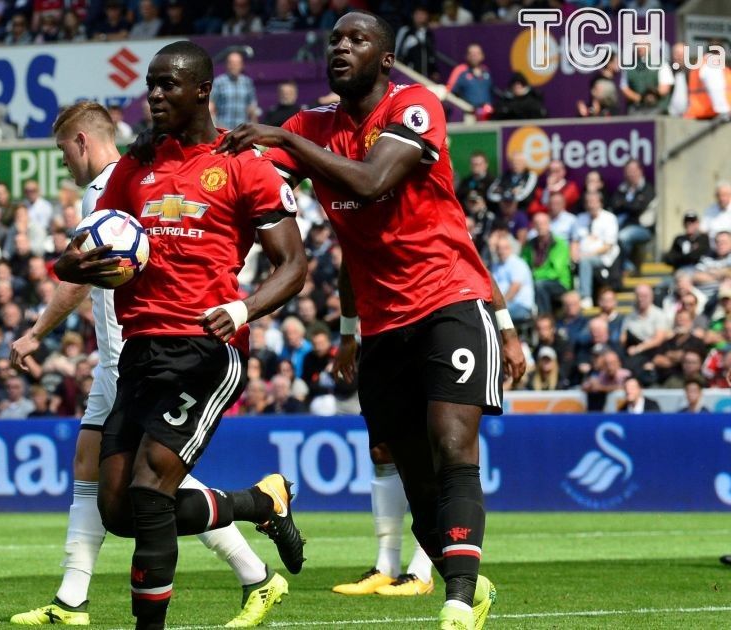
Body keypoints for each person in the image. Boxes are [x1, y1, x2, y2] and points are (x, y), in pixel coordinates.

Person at [216, 12, 528, 629]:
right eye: (335, 39)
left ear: (386, 59)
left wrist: (286, 141)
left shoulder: (415, 106)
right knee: (410, 470)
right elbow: (255, 190)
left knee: (451, 444)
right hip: (382, 323)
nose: (341, 47)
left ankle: (459, 598)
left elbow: (370, 179)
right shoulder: (311, 125)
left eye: (357, 39)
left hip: (449, 300)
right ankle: (467, 579)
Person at [56, 41, 309, 630]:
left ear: (202, 90)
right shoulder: (135, 168)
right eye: (151, 84)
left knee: (149, 491)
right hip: (140, 351)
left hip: (204, 348)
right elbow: (77, 252)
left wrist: (243, 310)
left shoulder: (244, 164)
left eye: (168, 84)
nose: (155, 95)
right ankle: (260, 502)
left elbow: (294, 265)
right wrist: (77, 264)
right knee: (118, 508)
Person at [8, 101, 287, 628]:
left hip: (139, 352)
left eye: (64, 150)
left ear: (82, 141)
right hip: (122, 356)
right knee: (109, 479)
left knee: (149, 487)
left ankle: (256, 532)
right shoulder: (128, 177)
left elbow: (87, 277)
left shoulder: (122, 185)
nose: (64, 161)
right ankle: (75, 596)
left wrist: (37, 332)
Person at [571, 190, 620, 308]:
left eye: (593, 201)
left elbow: (608, 246)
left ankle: (585, 296)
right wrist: (573, 255)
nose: (590, 205)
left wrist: (588, 255)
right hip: (582, 256)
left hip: (603, 257)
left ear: (600, 203)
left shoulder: (609, 218)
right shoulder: (580, 218)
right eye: (588, 202)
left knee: (585, 262)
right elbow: (575, 241)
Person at [211, 50, 258, 129]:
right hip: (223, 129)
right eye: (231, 63)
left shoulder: (247, 82)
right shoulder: (218, 82)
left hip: (242, 130)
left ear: (242, 65)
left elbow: (252, 108)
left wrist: (254, 128)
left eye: (237, 63)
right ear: (226, 65)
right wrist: (216, 126)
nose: (234, 66)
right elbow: (211, 106)